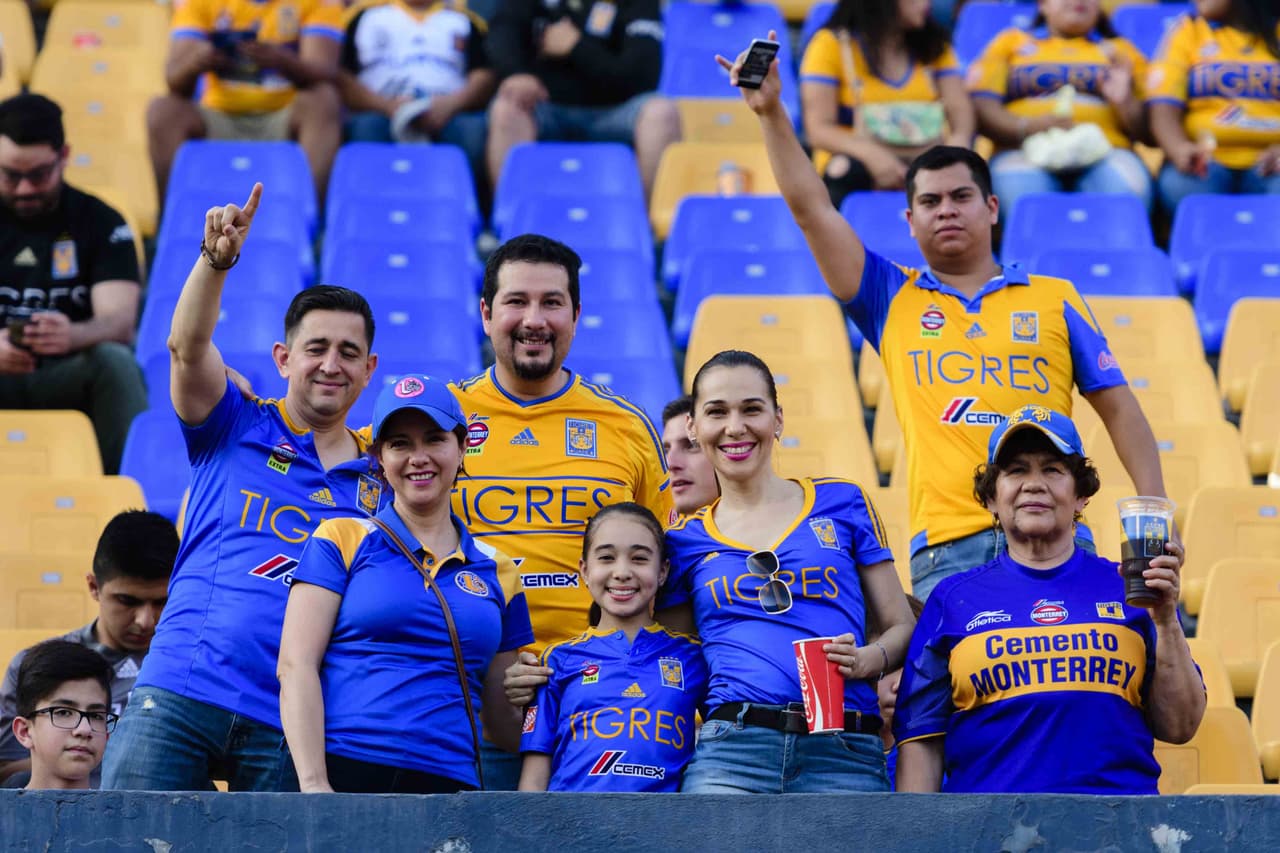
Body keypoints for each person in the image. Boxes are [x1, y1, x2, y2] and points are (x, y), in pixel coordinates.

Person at [721, 39, 1167, 602]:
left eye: (962, 196)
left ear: (992, 208)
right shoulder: (888, 296)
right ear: (910, 220)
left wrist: (1151, 524)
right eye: (931, 202)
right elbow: (813, 210)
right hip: (947, 549)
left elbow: (1120, 407)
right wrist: (770, 113)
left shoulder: (1056, 298)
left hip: (1058, 537)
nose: (947, 209)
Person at [101, 184, 386, 793]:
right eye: (316, 348)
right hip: (181, 688)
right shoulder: (235, 423)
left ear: (369, 369)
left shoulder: (383, 481)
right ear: (283, 358)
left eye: (348, 352)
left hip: (295, 720)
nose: (331, 364)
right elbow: (186, 347)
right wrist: (215, 261)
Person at [894, 405, 1206, 793]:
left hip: (1116, 833)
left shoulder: (1131, 587)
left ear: (1081, 498)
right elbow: (920, 740)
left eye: (1052, 470)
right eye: (1016, 470)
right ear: (991, 498)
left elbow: (1181, 726)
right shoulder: (951, 599)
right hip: (988, 836)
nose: (1034, 483)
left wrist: (1165, 620)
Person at [455, 233, 672, 789]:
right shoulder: (441, 419)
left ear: (576, 314)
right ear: (486, 313)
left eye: (552, 302)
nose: (535, 319)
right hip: (466, 706)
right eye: (516, 302)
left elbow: (664, 569)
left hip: (596, 708)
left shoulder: (626, 426)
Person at [658, 350, 915, 794]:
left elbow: (902, 623)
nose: (735, 427)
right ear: (695, 429)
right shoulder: (683, 541)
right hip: (732, 752)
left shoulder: (843, 502)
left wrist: (869, 660)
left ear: (777, 419)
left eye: (751, 409)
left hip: (844, 750)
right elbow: (680, 657)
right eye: (717, 412)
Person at [278, 374, 531, 793]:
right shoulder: (340, 538)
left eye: (434, 439)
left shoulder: (500, 570)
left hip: (451, 784)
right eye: (400, 444)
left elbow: (503, 730)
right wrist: (314, 785)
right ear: (378, 457)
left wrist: (527, 693)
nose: (419, 457)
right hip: (344, 771)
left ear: (462, 446)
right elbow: (295, 666)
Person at [0, 93, 147, 475]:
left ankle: (128, 494)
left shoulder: (100, 221)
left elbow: (119, 322)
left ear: (64, 156)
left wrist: (74, 335)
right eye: (11, 175)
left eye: (39, 175)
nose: (25, 189)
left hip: (64, 372)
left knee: (116, 364)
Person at [518, 503, 708, 793]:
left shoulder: (693, 657)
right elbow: (534, 774)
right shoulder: (557, 659)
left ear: (662, 571)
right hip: (571, 830)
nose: (622, 572)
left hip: (665, 830)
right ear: (584, 569)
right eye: (606, 557)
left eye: (639, 559)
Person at [0, 510, 178, 787]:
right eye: (127, 601)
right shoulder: (33, 666)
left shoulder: (190, 671)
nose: (145, 620)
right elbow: (9, 774)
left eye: (160, 603)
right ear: (94, 586)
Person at [147, 0, 345, 201]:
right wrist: (196, 61)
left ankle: (311, 215)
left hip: (285, 116)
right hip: (218, 115)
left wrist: (281, 60)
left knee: (324, 100)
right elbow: (174, 80)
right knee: (163, 111)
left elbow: (326, 72)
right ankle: (172, 215)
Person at [969, 0, 1153, 216]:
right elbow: (982, 107)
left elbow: (1148, 131)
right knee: (1025, 203)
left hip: (1108, 152)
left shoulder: (1122, 50)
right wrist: (1027, 127)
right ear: (1043, 5)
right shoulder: (1010, 43)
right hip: (1022, 151)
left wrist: (1125, 101)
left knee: (1127, 195)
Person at [485, 0, 680, 199]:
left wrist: (577, 47)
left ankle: (648, 224)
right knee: (507, 108)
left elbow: (644, 75)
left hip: (615, 111)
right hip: (547, 108)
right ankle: (509, 218)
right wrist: (517, 73)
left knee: (660, 112)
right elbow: (502, 35)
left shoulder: (637, 4)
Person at [799, 0, 974, 207]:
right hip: (857, 163)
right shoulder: (829, 45)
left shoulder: (935, 46)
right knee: (844, 170)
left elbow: (960, 111)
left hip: (926, 158)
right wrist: (873, 156)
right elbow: (818, 129)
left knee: (969, 179)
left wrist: (955, 149)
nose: (927, 2)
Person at [338, 0, 495, 190]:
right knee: (367, 128)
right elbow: (343, 76)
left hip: (447, 108)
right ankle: (369, 208)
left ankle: (464, 210)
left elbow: (483, 75)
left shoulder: (464, 20)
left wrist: (451, 105)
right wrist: (385, 106)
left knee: (471, 131)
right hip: (381, 106)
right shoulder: (363, 17)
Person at [1147, 0, 1280, 213]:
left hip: (1272, 165)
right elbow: (1163, 108)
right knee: (1182, 186)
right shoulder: (1188, 29)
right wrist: (1179, 148)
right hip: (1206, 163)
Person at [10, 640, 116, 791]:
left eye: (96, 716)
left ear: (107, 735)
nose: (84, 729)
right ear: (24, 732)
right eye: (63, 712)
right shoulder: (6, 813)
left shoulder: (123, 813)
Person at [661, 394, 719, 522]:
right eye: (665, 450)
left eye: (691, 445)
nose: (670, 464)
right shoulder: (654, 540)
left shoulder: (771, 535)